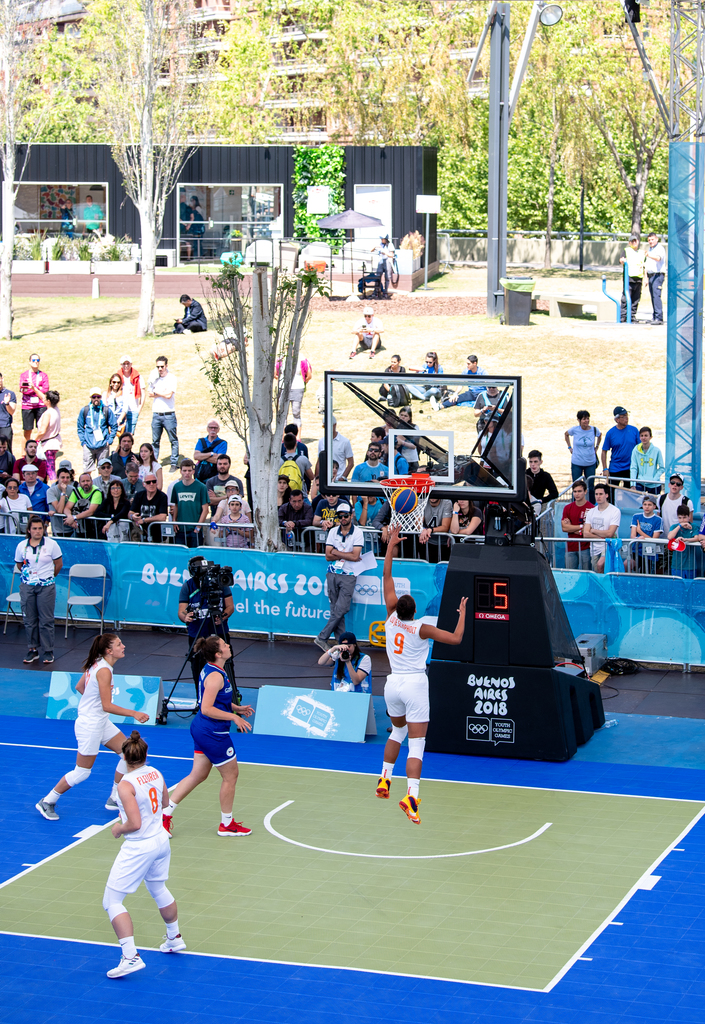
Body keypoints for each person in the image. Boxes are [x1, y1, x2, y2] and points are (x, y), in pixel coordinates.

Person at [377, 525, 467, 824]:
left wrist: (391, 544)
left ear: (396, 608)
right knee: (417, 744)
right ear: (414, 609)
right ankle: (411, 797)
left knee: (398, 731)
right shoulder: (421, 628)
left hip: (391, 684)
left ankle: (384, 778)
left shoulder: (390, 620)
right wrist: (463, 612)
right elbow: (455, 639)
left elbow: (386, 576)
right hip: (414, 683)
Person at [35, 634, 149, 821]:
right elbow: (107, 706)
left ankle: (114, 797)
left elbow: (81, 687)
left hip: (99, 721)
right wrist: (134, 713)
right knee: (82, 772)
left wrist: (90, 704)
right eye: (119, 644)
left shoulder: (97, 664)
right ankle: (47, 801)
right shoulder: (104, 671)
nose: (124, 646)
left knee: (128, 754)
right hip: (90, 725)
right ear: (108, 651)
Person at [102, 730, 184, 979]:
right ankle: (174, 938)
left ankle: (130, 957)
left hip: (139, 846)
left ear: (125, 758)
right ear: (145, 754)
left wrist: (119, 828)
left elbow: (134, 823)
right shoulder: (156, 773)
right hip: (160, 840)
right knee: (158, 888)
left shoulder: (126, 785)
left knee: (112, 902)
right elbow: (166, 802)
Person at [163, 635, 254, 838]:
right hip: (212, 733)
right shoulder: (215, 676)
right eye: (224, 645)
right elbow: (206, 708)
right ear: (218, 654)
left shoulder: (214, 670)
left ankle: (164, 815)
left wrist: (236, 708)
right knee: (231, 776)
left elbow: (218, 700)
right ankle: (227, 825)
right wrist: (233, 717)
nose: (228, 645)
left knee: (198, 775)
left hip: (203, 730)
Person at [178, 553, 235, 690]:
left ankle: (231, 697)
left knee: (226, 664)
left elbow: (230, 606)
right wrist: (185, 617)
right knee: (197, 665)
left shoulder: (220, 582)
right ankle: (201, 698)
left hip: (218, 632)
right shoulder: (188, 586)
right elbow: (181, 611)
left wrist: (223, 616)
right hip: (197, 634)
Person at [314, 502, 363, 651]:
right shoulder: (333, 531)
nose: (343, 518)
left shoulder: (358, 532)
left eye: (345, 515)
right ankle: (343, 644)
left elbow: (355, 556)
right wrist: (339, 554)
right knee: (336, 610)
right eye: (340, 516)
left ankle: (322, 637)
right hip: (332, 573)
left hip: (349, 574)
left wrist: (336, 552)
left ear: (351, 515)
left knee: (341, 609)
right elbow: (328, 556)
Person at [14, 516, 62, 664]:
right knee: (29, 619)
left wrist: (48, 577)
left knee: (46, 619)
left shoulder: (52, 544)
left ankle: (48, 651)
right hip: (28, 586)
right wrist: (31, 578)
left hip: (46, 586)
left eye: (40, 528)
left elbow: (58, 564)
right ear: (29, 530)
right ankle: (32, 649)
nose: (38, 531)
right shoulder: (22, 545)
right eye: (34, 528)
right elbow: (19, 565)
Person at [601, 406, 640, 497]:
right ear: (617, 419)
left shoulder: (634, 430)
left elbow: (640, 448)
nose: (627, 418)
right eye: (624, 416)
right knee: (611, 493)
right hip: (615, 468)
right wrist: (605, 469)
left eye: (627, 416)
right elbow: (604, 451)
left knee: (629, 494)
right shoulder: (610, 433)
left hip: (630, 467)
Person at [149, 356, 179, 471]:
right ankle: (154, 463)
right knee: (155, 441)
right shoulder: (154, 378)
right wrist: (160, 393)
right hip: (156, 413)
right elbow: (149, 393)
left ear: (166, 366)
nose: (160, 369)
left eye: (162, 366)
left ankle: (174, 462)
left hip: (168, 413)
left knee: (173, 439)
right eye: (158, 367)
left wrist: (156, 391)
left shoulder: (171, 378)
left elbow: (168, 395)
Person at [583, 483, 621, 573]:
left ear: (606, 495)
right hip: (594, 548)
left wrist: (593, 530)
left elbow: (610, 533)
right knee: (596, 571)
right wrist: (600, 537)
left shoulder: (615, 511)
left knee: (601, 565)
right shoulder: (591, 511)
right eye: (596, 494)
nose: (598, 496)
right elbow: (585, 534)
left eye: (601, 494)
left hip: (608, 546)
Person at [77, 388, 118, 472]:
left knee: (103, 471)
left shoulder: (106, 410)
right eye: (94, 397)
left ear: (101, 397)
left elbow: (114, 426)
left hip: (103, 446)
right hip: (88, 446)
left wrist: (109, 441)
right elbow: (80, 427)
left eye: (98, 397)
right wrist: (83, 442)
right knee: (87, 471)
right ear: (90, 397)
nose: (96, 399)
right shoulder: (85, 410)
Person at [170, 459, 209, 548]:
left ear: (193, 471)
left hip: (194, 530)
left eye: (189, 470)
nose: (187, 473)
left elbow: (205, 509)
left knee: (195, 557)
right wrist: (174, 521)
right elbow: (175, 505)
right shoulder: (176, 487)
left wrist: (198, 527)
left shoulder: (201, 487)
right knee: (180, 555)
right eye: (184, 471)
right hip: (180, 529)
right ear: (180, 471)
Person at [565, 410, 601, 499]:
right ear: (579, 420)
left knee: (591, 486)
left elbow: (600, 435)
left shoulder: (594, 430)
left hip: (590, 463)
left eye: (588, 419)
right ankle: (575, 504)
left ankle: (591, 505)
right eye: (584, 419)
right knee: (576, 485)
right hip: (577, 462)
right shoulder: (574, 430)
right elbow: (566, 434)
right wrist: (569, 447)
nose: (586, 421)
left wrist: (596, 446)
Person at [561, 480, 594, 570]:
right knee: (570, 575)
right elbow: (564, 528)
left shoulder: (592, 508)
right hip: (570, 547)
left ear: (585, 491)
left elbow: (589, 530)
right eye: (575, 491)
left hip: (585, 547)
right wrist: (581, 527)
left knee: (586, 575)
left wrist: (571, 527)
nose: (577, 494)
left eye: (579, 491)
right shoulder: (567, 508)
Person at [275, 357, 313, 434]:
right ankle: (282, 437)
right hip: (283, 388)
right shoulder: (281, 358)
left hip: (297, 388)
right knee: (282, 413)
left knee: (296, 413)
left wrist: (301, 383)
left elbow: (309, 375)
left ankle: (297, 437)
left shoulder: (301, 359)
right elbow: (275, 374)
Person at [128, 473, 168, 542]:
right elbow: (130, 513)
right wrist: (133, 516)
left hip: (157, 536)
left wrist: (144, 520)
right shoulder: (139, 495)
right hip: (140, 535)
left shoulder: (162, 496)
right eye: (148, 482)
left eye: (154, 481)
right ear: (144, 484)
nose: (151, 484)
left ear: (157, 482)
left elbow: (163, 516)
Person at [63, 470, 102, 538]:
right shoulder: (76, 491)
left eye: (88, 481)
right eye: (83, 481)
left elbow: (91, 511)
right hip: (78, 528)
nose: (85, 483)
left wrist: (74, 518)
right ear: (79, 483)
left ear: (92, 482)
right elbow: (67, 508)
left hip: (94, 530)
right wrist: (69, 517)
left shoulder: (97, 492)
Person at [19, 353, 49, 441]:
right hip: (27, 406)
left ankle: (40, 451)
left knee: (42, 429)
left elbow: (45, 389)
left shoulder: (43, 375)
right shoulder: (24, 375)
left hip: (41, 406)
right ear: (29, 362)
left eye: (38, 360)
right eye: (33, 360)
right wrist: (38, 389)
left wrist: (32, 388)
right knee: (27, 430)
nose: (36, 362)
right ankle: (24, 453)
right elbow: (23, 390)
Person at [630, 494, 662, 573]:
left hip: (649, 552)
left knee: (644, 573)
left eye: (649, 505)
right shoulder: (636, 516)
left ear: (654, 506)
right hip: (636, 550)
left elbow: (654, 540)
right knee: (627, 565)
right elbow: (632, 535)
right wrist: (637, 538)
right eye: (645, 504)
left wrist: (640, 531)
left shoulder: (658, 520)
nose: (647, 507)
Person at [117, 356, 146, 436]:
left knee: (129, 436)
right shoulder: (118, 377)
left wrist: (139, 409)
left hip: (133, 410)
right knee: (120, 435)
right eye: (124, 364)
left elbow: (143, 393)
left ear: (131, 364)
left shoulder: (138, 377)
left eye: (128, 364)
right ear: (121, 365)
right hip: (121, 411)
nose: (126, 366)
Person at [418, 495, 453, 563]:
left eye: (435, 494)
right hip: (426, 541)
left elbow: (445, 527)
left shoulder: (446, 502)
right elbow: (418, 523)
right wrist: (423, 530)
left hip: (442, 543)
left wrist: (431, 530)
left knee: (441, 568)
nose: (433, 496)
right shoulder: (422, 500)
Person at [630, 426, 664, 494]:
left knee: (653, 503)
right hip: (640, 483)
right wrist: (632, 483)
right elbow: (633, 467)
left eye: (646, 435)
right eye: (642, 436)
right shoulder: (636, 450)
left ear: (650, 437)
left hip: (654, 484)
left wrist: (654, 479)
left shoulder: (656, 451)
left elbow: (662, 468)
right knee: (639, 503)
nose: (643, 438)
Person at [620, 236, 645, 322]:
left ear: (638, 241)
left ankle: (632, 315)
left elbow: (645, 265)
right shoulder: (627, 250)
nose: (634, 243)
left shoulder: (642, 252)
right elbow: (621, 260)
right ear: (629, 243)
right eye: (632, 241)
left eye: (635, 241)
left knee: (636, 298)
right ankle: (623, 315)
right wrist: (622, 261)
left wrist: (645, 278)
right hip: (629, 277)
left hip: (639, 277)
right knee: (626, 297)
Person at [668, 507, 699, 579]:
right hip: (677, 565)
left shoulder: (694, 526)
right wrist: (680, 526)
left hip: (690, 565)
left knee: (690, 587)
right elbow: (670, 537)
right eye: (680, 518)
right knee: (677, 587)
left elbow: (697, 538)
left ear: (689, 517)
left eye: (684, 517)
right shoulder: (674, 526)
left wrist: (685, 540)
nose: (682, 520)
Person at [46, 463, 75, 538]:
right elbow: (59, 510)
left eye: (67, 477)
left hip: (72, 527)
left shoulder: (73, 490)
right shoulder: (51, 491)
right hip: (58, 529)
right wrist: (63, 492)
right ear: (57, 478)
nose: (65, 480)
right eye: (62, 477)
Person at [645, 232, 666, 325]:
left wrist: (649, 255)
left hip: (658, 275)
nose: (651, 241)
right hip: (651, 275)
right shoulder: (650, 249)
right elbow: (647, 264)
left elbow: (658, 258)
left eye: (652, 239)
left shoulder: (660, 248)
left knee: (656, 296)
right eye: (649, 240)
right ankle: (654, 317)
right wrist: (645, 277)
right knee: (653, 296)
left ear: (656, 239)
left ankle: (659, 318)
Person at [0, 370, 17, 450]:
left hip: (5, 426)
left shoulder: (10, 394)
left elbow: (12, 411)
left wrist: (7, 403)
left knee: (6, 450)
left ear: (2, 379)